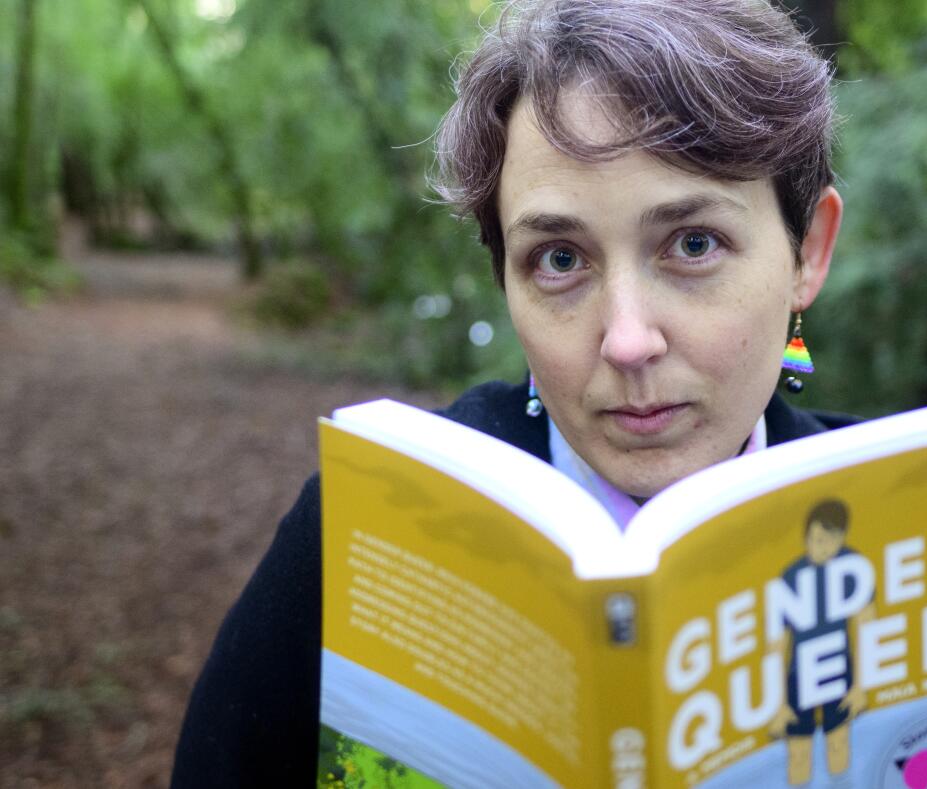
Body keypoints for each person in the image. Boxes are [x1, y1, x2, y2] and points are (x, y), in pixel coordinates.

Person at [170, 0, 854, 784]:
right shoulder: (364, 528)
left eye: (693, 244)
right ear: (506, 280)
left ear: (808, 250)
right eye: (560, 259)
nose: (627, 339)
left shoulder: (911, 527)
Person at [772, 498, 875, 785]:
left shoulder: (853, 567)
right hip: (798, 675)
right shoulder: (792, 575)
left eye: (832, 541)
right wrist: (779, 703)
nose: (824, 547)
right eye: (817, 540)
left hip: (838, 668)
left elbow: (866, 625)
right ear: (806, 536)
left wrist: (859, 686)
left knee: (839, 743)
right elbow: (778, 645)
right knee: (799, 753)